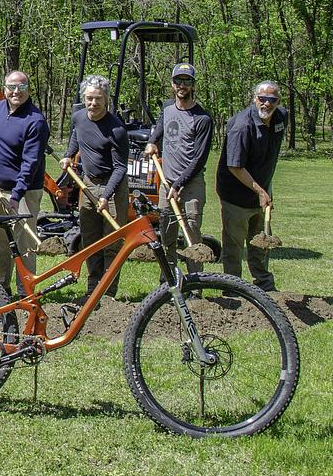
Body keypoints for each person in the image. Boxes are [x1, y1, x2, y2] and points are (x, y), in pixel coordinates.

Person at [0, 70, 49, 295]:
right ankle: (1, 285)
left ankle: (26, 289)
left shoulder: (35, 121)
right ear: (5, 88)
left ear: (28, 89)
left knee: (24, 241)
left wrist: (16, 195)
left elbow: (31, 163)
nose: (16, 91)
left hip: (24, 191)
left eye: (22, 87)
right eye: (11, 87)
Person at [60, 75, 129, 299]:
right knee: (90, 241)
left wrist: (107, 195)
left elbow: (120, 168)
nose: (93, 104)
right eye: (89, 99)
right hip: (88, 185)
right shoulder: (79, 117)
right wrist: (69, 155)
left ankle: (108, 294)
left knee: (112, 242)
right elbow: (75, 135)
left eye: (98, 99)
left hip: (113, 187)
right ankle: (93, 290)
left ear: (106, 99)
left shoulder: (116, 129)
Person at [216, 80, 288, 292]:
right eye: (262, 99)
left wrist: (267, 189)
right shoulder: (241, 126)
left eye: (272, 100)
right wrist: (260, 190)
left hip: (262, 192)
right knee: (235, 244)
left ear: (278, 102)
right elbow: (235, 166)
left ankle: (264, 286)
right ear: (255, 99)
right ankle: (232, 288)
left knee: (261, 241)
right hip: (235, 193)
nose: (266, 104)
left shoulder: (281, 117)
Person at [144, 62, 214, 275]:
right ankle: (168, 281)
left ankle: (195, 285)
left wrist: (179, 184)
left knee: (191, 234)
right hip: (167, 183)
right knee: (167, 235)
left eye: (187, 81)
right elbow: (159, 128)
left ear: (193, 85)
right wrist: (153, 141)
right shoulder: (167, 109)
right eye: (178, 81)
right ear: (172, 83)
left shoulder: (203, 119)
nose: (182, 85)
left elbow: (199, 159)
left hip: (190, 185)